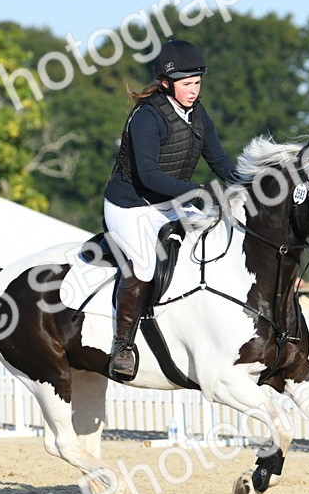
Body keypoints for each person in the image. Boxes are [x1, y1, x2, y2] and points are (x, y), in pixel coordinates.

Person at [102, 39, 239, 380]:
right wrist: (197, 191)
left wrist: (251, 184)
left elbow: (219, 161)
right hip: (130, 205)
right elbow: (149, 176)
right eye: (187, 84)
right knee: (145, 266)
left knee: (209, 241)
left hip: (167, 204)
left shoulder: (197, 114)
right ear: (166, 83)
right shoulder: (147, 117)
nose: (194, 90)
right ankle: (123, 346)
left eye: (198, 83)